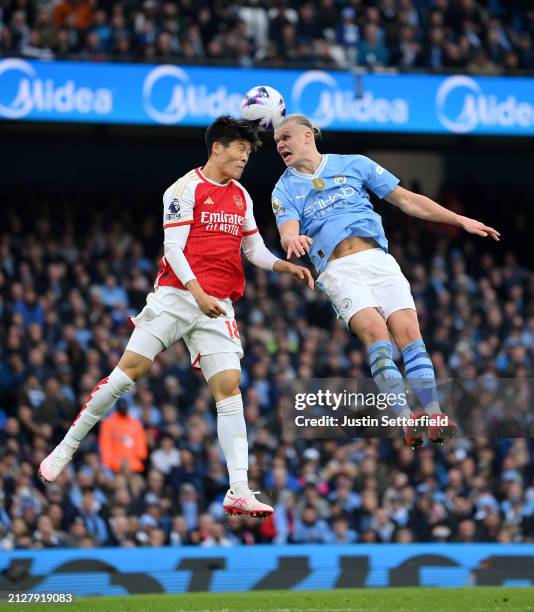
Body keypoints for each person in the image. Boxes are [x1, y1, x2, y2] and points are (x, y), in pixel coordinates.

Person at [40, 116, 313, 518]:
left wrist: (282, 267)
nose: (245, 157)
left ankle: (238, 489)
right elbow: (173, 249)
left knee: (230, 390)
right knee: (126, 375)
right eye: (240, 148)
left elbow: (252, 250)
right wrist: (197, 294)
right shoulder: (184, 189)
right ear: (217, 147)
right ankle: (65, 448)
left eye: (249, 151)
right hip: (176, 296)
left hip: (217, 303)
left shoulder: (241, 196)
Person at [271, 114, 500, 447]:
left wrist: (459, 220)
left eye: (286, 137)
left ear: (308, 136)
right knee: (377, 334)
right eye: (277, 141)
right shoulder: (284, 188)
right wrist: (291, 240)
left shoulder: (355, 165)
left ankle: (434, 414)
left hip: (379, 260)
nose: (280, 145)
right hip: (339, 270)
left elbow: (407, 200)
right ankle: (407, 420)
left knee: (409, 331)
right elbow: (287, 229)